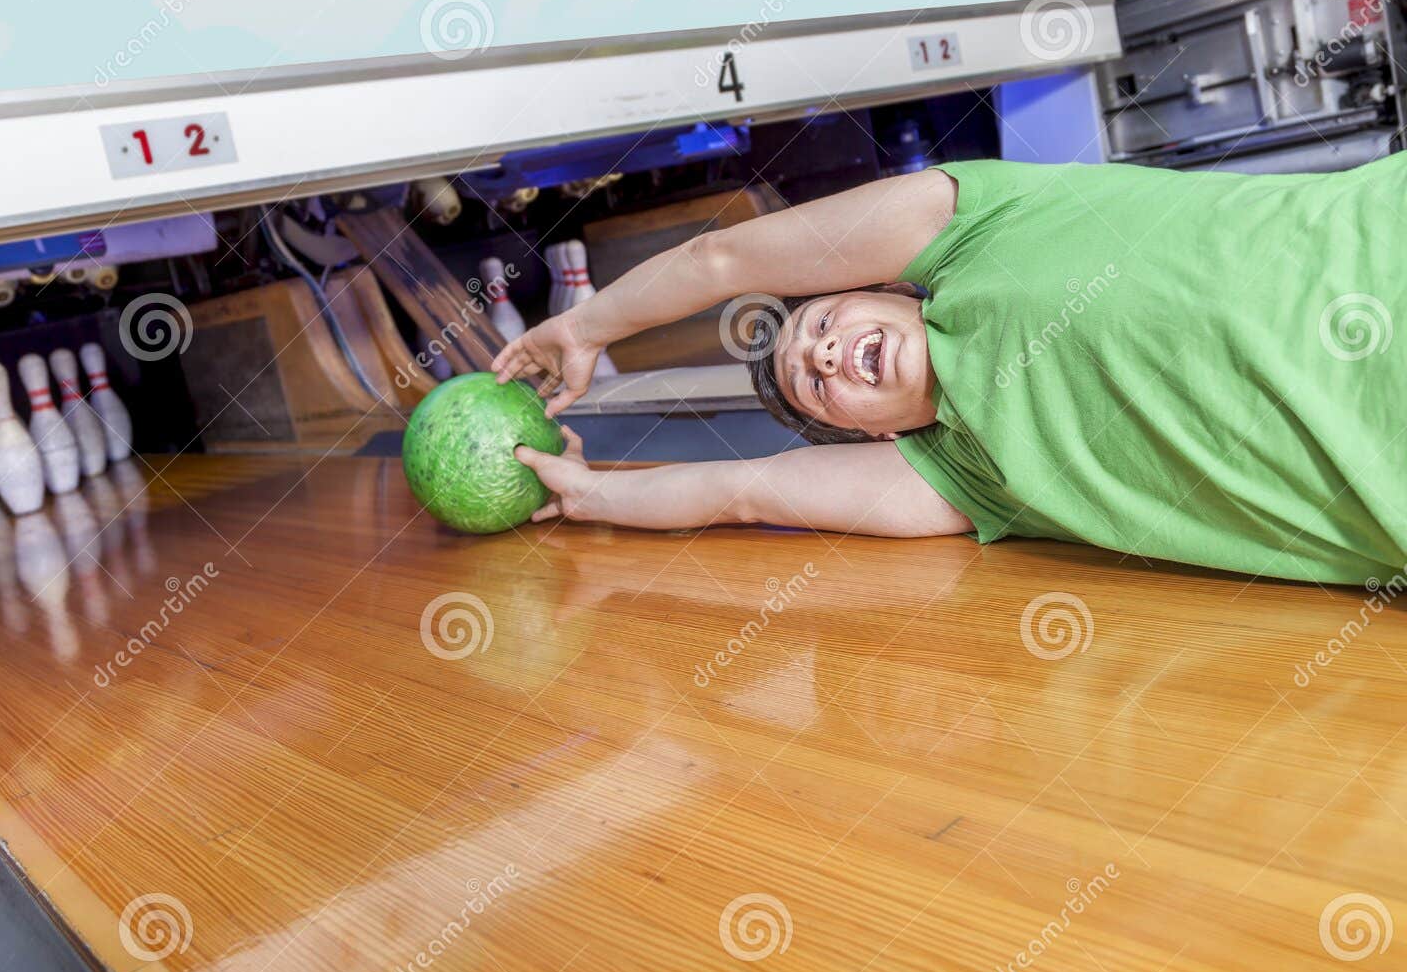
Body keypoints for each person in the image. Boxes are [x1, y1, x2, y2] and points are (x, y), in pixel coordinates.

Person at [494, 156, 1407, 586]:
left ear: (882, 284)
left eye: (820, 323)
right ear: (873, 434)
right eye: (817, 384)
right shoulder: (962, 475)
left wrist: (584, 325)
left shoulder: (975, 229)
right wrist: (590, 495)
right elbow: (741, 491)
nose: (822, 353)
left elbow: (725, 259)